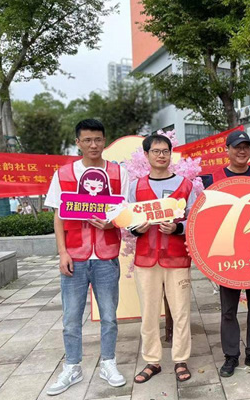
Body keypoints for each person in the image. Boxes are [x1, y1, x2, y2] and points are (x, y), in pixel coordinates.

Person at [44, 119, 129, 395]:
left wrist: (112, 223)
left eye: (98, 139)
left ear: (105, 141)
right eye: (88, 140)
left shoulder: (118, 173)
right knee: (71, 317)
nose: (94, 145)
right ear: (78, 142)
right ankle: (72, 366)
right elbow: (58, 216)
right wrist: (62, 253)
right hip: (75, 256)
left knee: (109, 316)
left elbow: (124, 212)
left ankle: (108, 363)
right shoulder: (64, 174)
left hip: (106, 256)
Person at [204, 130, 250, 378]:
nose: (241, 151)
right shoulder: (214, 178)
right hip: (227, 253)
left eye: (246, 147)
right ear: (228, 150)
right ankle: (231, 355)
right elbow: (205, 217)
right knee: (228, 309)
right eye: (236, 147)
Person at [130, 135, 196, 384]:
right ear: (146, 155)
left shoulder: (185, 185)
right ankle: (152, 361)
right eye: (156, 151)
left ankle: (180, 359)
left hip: (177, 258)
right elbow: (128, 219)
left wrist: (178, 228)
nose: (161, 155)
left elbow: (195, 218)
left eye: (165, 151)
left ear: (171, 154)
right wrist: (137, 229)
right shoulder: (136, 186)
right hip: (146, 259)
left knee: (181, 312)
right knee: (148, 313)